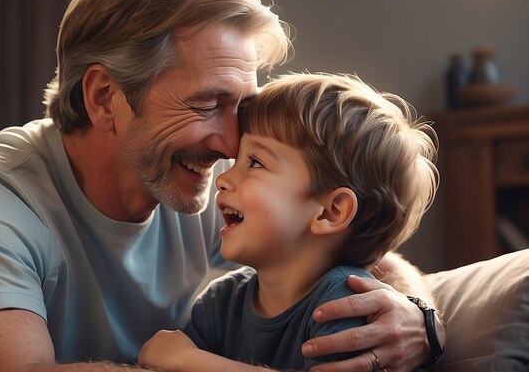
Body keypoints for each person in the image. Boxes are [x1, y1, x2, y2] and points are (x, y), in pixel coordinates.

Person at [0, 0, 441, 372]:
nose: (232, 141)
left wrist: (417, 316)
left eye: (241, 108)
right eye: (207, 105)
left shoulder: (200, 185)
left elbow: (356, 252)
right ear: (103, 95)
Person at [138, 72, 440, 372]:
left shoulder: (344, 304)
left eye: (255, 162)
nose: (224, 178)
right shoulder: (221, 302)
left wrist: (190, 360)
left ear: (330, 212)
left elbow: (181, 360)